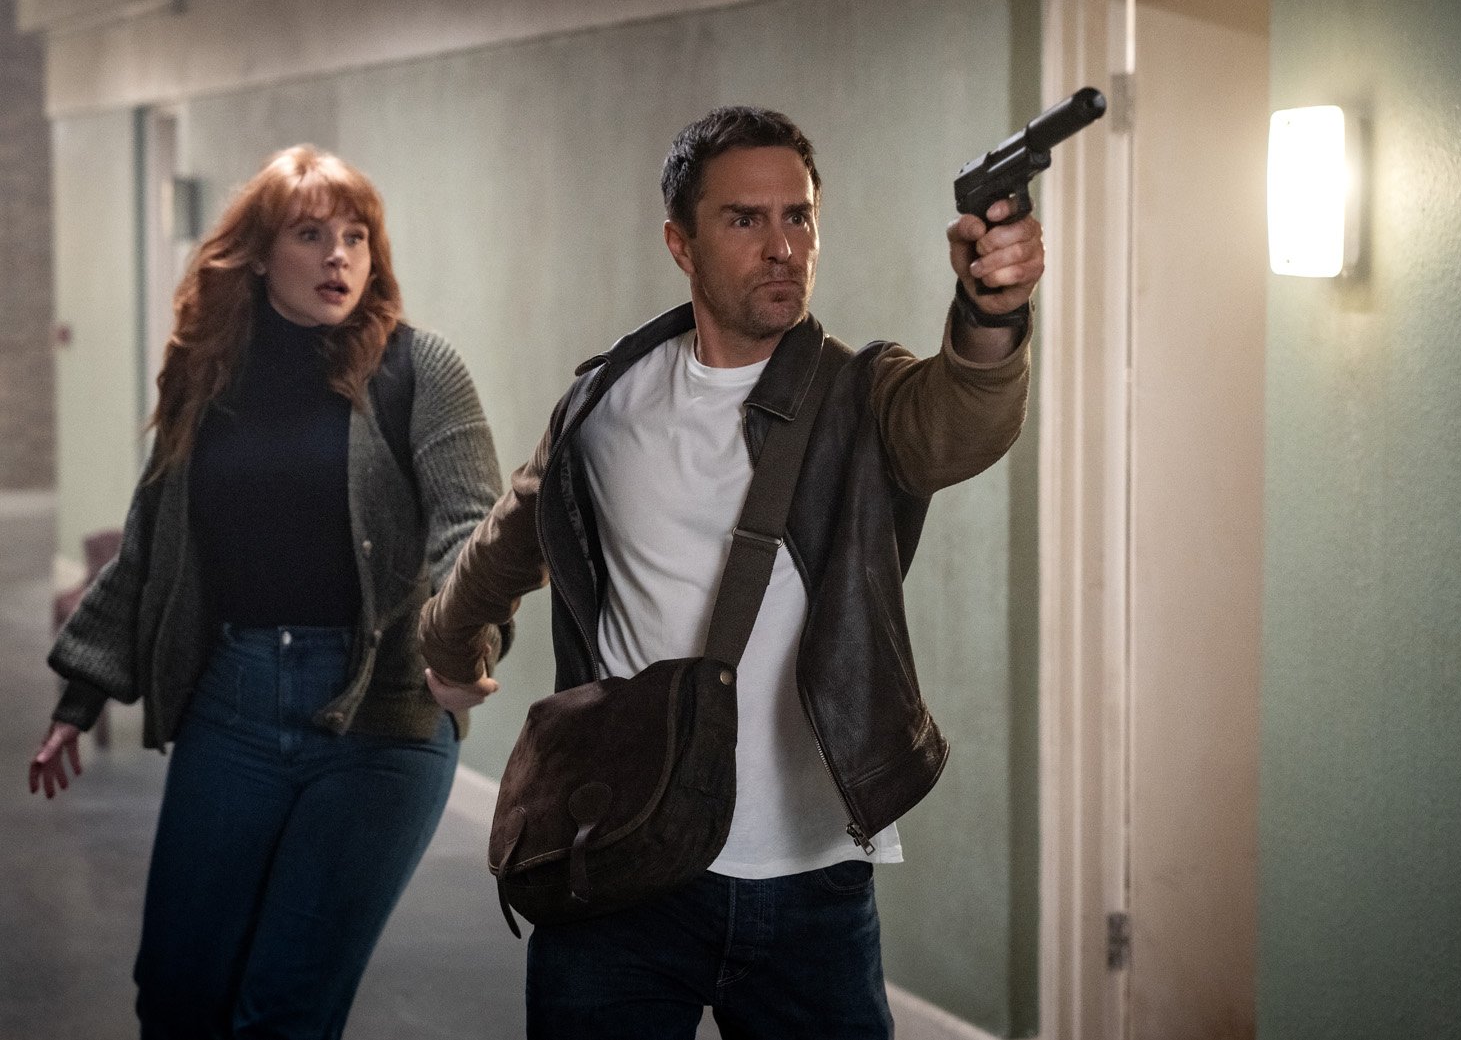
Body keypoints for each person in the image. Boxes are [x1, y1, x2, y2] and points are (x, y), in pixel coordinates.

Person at [418, 106, 1043, 1039]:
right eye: (745, 219)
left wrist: (993, 310)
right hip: (619, 851)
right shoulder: (608, 399)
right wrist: (448, 639)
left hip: (813, 880)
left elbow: (961, 421)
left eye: (799, 216)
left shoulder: (862, 396)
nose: (781, 245)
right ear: (682, 243)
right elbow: (516, 533)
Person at [27, 145, 506, 1039]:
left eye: (356, 237)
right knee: (176, 993)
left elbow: (470, 530)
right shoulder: (205, 377)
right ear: (256, 255)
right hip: (234, 705)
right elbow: (150, 547)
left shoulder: (419, 370)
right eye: (311, 235)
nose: (339, 257)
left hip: (382, 720)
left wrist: (460, 644)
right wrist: (80, 694)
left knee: (285, 1009)